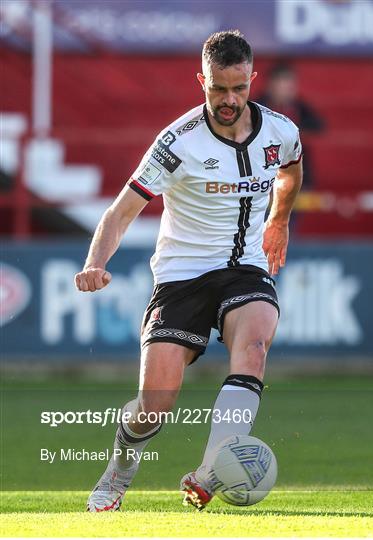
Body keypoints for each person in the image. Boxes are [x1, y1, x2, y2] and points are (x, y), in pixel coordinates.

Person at [75, 30, 303, 512]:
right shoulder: (176, 142)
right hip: (182, 276)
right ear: (202, 80)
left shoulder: (281, 131)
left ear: (251, 79)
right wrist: (96, 262)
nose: (229, 99)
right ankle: (120, 468)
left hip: (246, 268)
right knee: (152, 408)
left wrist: (279, 219)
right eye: (218, 88)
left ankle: (210, 471)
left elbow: (292, 168)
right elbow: (120, 212)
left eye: (239, 88)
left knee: (255, 346)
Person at [257, 62, 323, 188]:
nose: (285, 89)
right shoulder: (256, 108)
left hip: (295, 172)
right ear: (270, 85)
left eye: (289, 85)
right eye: (281, 84)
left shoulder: (301, 107)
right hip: (262, 172)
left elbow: (319, 126)